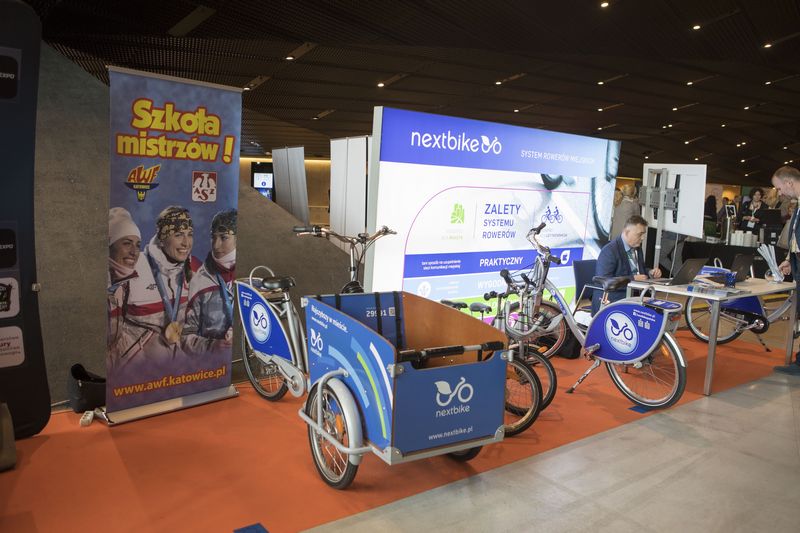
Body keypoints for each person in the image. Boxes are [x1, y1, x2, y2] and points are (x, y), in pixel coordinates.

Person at [121, 206, 198, 370]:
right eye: (178, 235)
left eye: (190, 234)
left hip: (182, 373)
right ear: (162, 239)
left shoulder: (194, 271)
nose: (186, 242)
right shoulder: (133, 268)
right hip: (138, 375)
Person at [183, 209, 237, 356]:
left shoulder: (249, 271)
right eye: (213, 237)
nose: (216, 245)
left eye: (224, 237)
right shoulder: (200, 282)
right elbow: (185, 338)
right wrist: (213, 346)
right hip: (213, 364)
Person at [593, 214, 663, 314]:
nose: (643, 238)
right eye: (640, 234)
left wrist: (650, 272)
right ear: (626, 232)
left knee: (660, 311)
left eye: (644, 234)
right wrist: (632, 279)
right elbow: (605, 281)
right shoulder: (609, 251)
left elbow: (640, 270)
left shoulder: (637, 248)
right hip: (615, 297)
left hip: (636, 294)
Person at [772, 166, 800, 374]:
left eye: (780, 188)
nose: (779, 193)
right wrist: (791, 259)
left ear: (789, 182)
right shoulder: (797, 204)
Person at [107, 207, 145, 365]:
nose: (134, 252)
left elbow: (116, 341)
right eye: (127, 243)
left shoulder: (122, 285)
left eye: (138, 245)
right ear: (109, 245)